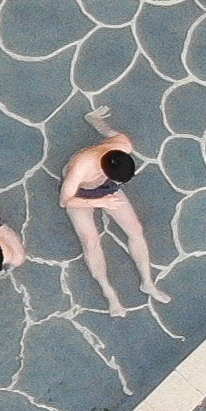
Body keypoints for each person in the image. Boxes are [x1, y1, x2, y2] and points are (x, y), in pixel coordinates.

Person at [58, 108, 171, 316]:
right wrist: (99, 202)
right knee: (91, 241)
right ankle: (110, 294)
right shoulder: (83, 165)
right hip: (81, 193)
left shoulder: (123, 144)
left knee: (135, 229)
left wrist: (94, 119)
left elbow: (109, 133)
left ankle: (147, 282)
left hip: (104, 189)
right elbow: (65, 201)